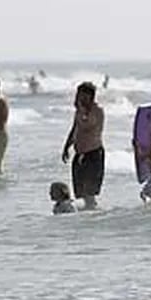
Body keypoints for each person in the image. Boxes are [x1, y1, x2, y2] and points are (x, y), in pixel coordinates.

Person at [62, 82, 105, 210]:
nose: (79, 98)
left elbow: (87, 125)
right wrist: (66, 146)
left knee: (90, 191)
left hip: (93, 154)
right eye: (78, 95)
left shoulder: (97, 111)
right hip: (79, 154)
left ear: (90, 96)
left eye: (82, 96)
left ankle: (93, 212)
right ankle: (86, 214)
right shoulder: (79, 112)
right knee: (80, 192)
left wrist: (81, 110)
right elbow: (75, 128)